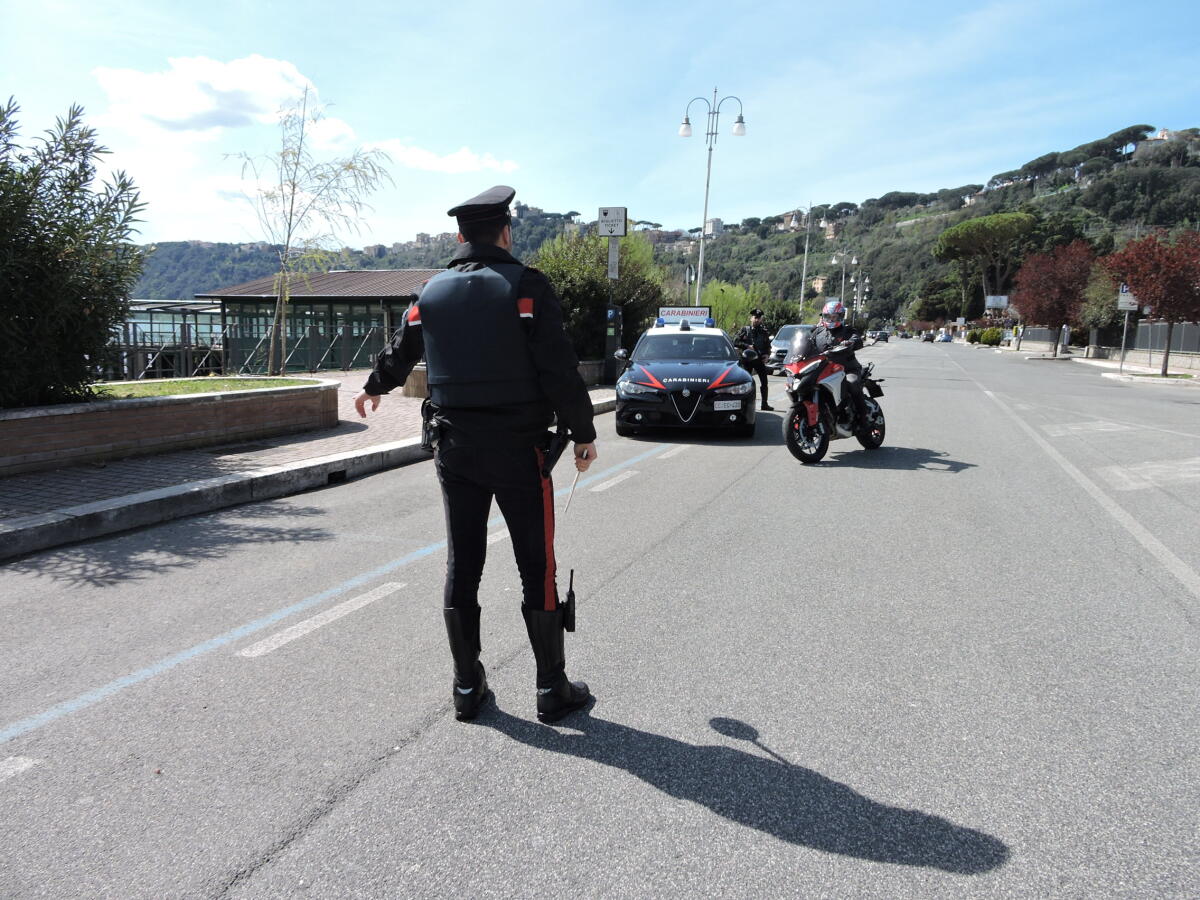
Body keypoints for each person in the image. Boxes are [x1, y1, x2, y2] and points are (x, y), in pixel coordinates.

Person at [354, 185, 597, 724]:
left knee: (463, 563)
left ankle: (467, 688)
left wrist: (375, 386)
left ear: (461, 236)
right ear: (506, 231)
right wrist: (582, 432)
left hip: (454, 451)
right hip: (519, 451)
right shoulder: (526, 287)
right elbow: (558, 367)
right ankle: (550, 689)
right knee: (537, 563)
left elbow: (403, 348)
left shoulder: (430, 293)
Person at [810, 300, 868, 426]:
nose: (831, 320)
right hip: (824, 370)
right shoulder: (818, 332)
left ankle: (864, 419)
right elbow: (807, 342)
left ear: (840, 316)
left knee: (851, 383)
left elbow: (856, 339)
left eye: (834, 317)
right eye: (828, 317)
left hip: (847, 368)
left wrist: (851, 342)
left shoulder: (847, 331)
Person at [733, 308, 774, 411]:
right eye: (755, 318)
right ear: (751, 318)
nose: (757, 320)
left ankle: (764, 404)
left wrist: (767, 355)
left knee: (764, 382)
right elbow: (735, 341)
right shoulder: (745, 330)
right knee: (746, 383)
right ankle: (744, 404)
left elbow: (767, 346)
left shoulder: (764, 331)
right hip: (747, 361)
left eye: (759, 318)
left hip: (759, 360)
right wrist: (747, 346)